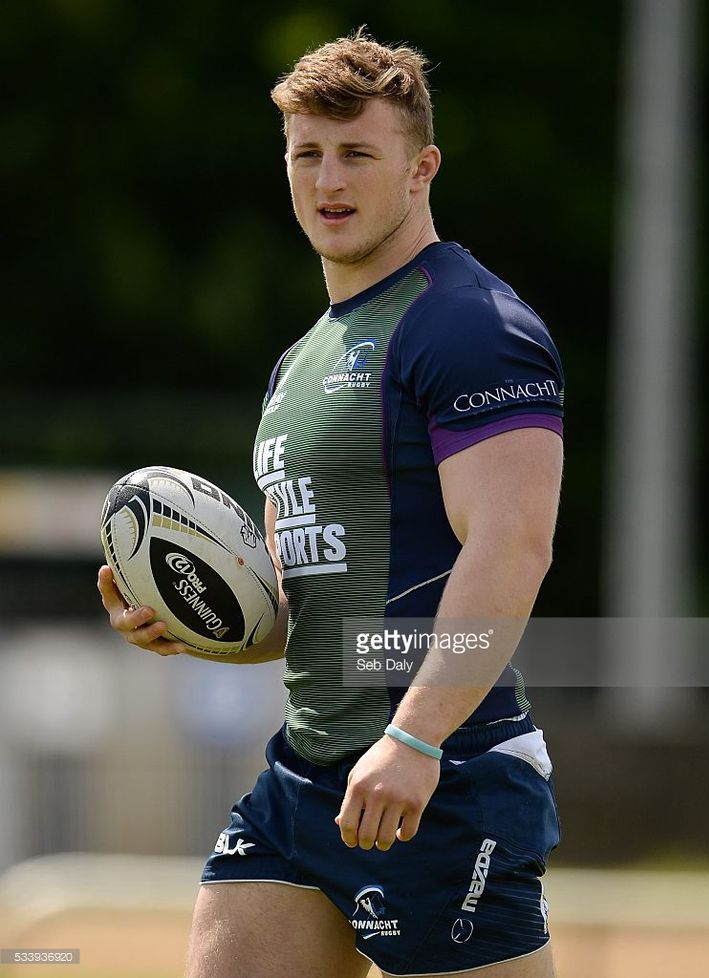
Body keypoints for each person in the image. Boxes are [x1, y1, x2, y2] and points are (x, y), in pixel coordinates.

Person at [98, 30, 564, 978]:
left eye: (357, 153)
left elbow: (514, 545)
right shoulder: (297, 362)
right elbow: (312, 610)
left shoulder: (469, 324)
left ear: (421, 167)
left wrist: (415, 738)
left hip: (444, 772)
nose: (327, 179)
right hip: (306, 775)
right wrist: (204, 620)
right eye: (306, 154)